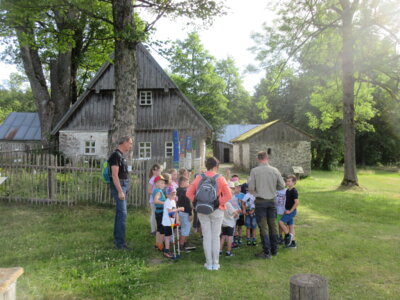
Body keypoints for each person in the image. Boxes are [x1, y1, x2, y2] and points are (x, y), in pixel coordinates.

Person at [186, 157, 232, 271]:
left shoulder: (199, 177)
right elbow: (229, 195)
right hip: (217, 210)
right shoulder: (220, 178)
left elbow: (188, 193)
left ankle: (208, 263)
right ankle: (215, 264)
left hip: (202, 210)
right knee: (216, 236)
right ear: (216, 166)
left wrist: (196, 203)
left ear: (206, 166)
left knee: (207, 236)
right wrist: (217, 203)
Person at [249, 151, 285, 259]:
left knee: (263, 227)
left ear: (258, 159)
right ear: (267, 158)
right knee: (273, 225)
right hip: (272, 201)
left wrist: (257, 192)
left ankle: (266, 252)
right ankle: (274, 250)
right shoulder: (275, 170)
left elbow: (251, 188)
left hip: (260, 202)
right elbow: (282, 186)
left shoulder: (254, 171)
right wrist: (272, 189)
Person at [109, 136, 133, 250]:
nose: (131, 146)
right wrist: (120, 191)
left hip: (124, 185)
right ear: (124, 142)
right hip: (120, 186)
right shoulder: (115, 156)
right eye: (130, 143)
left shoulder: (121, 156)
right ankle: (120, 244)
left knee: (120, 214)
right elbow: (114, 175)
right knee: (122, 214)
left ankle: (118, 240)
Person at [162, 186, 184, 258]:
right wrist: (179, 209)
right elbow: (170, 212)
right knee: (167, 237)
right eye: (172, 194)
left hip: (172, 221)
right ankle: (166, 251)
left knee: (170, 236)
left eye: (175, 194)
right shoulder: (167, 202)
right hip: (167, 222)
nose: (174, 196)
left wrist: (177, 220)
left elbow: (175, 211)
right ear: (167, 195)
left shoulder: (173, 201)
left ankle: (168, 249)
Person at [279, 175, 299, 249]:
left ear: (293, 182)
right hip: (287, 211)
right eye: (287, 181)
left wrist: (290, 211)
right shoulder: (287, 190)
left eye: (289, 181)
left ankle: (288, 236)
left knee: (280, 222)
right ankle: (292, 244)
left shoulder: (294, 191)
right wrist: (286, 210)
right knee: (291, 227)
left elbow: (296, 202)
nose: (287, 182)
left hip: (291, 211)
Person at [177, 176, 196, 251]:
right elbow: (187, 204)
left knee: (184, 228)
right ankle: (181, 245)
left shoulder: (177, 190)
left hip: (179, 211)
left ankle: (185, 242)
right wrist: (190, 214)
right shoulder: (185, 191)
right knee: (186, 229)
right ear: (183, 182)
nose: (189, 183)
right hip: (185, 212)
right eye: (187, 182)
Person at [153, 175, 169, 251]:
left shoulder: (157, 190)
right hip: (160, 212)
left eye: (163, 183)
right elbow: (156, 201)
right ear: (156, 184)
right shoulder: (158, 191)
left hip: (158, 211)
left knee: (159, 229)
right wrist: (164, 203)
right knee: (162, 229)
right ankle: (160, 244)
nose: (163, 184)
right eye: (161, 183)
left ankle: (157, 243)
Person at [148, 164, 162, 235]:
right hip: (153, 201)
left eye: (158, 170)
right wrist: (156, 194)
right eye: (155, 170)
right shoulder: (152, 179)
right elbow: (149, 191)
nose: (156, 172)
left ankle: (158, 229)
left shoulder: (161, 178)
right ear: (152, 171)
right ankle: (153, 230)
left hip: (160, 201)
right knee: (153, 215)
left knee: (159, 215)